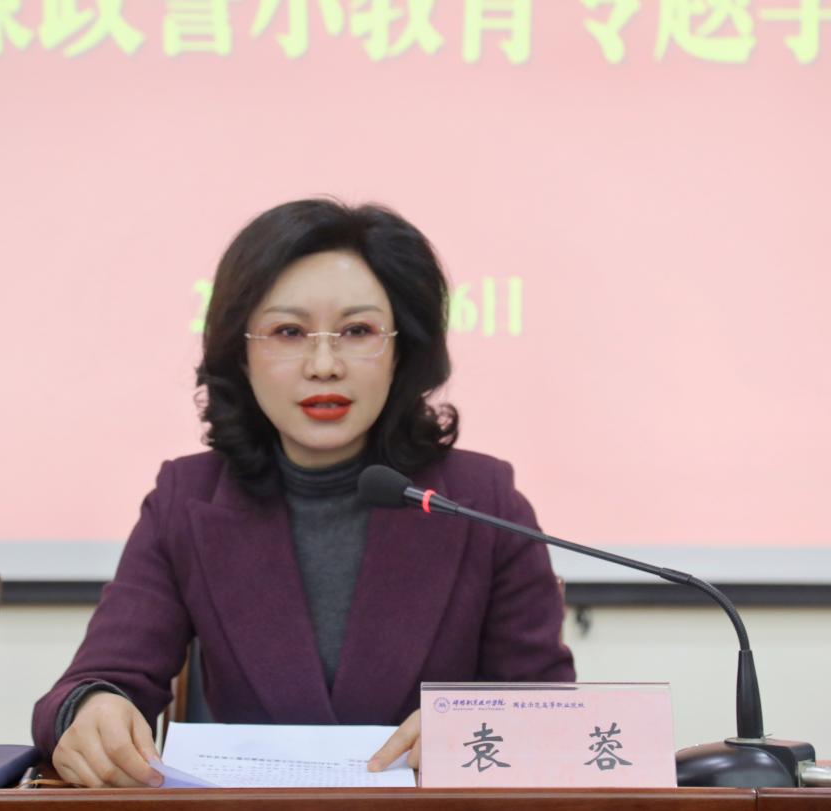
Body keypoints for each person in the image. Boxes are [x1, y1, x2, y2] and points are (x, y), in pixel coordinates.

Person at [31, 199, 574, 787]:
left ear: (403, 351)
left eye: (358, 331)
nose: (323, 365)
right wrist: (91, 709)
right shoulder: (186, 499)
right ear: (241, 353)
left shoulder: (482, 501)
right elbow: (98, 679)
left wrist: (480, 727)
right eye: (288, 332)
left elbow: (550, 712)